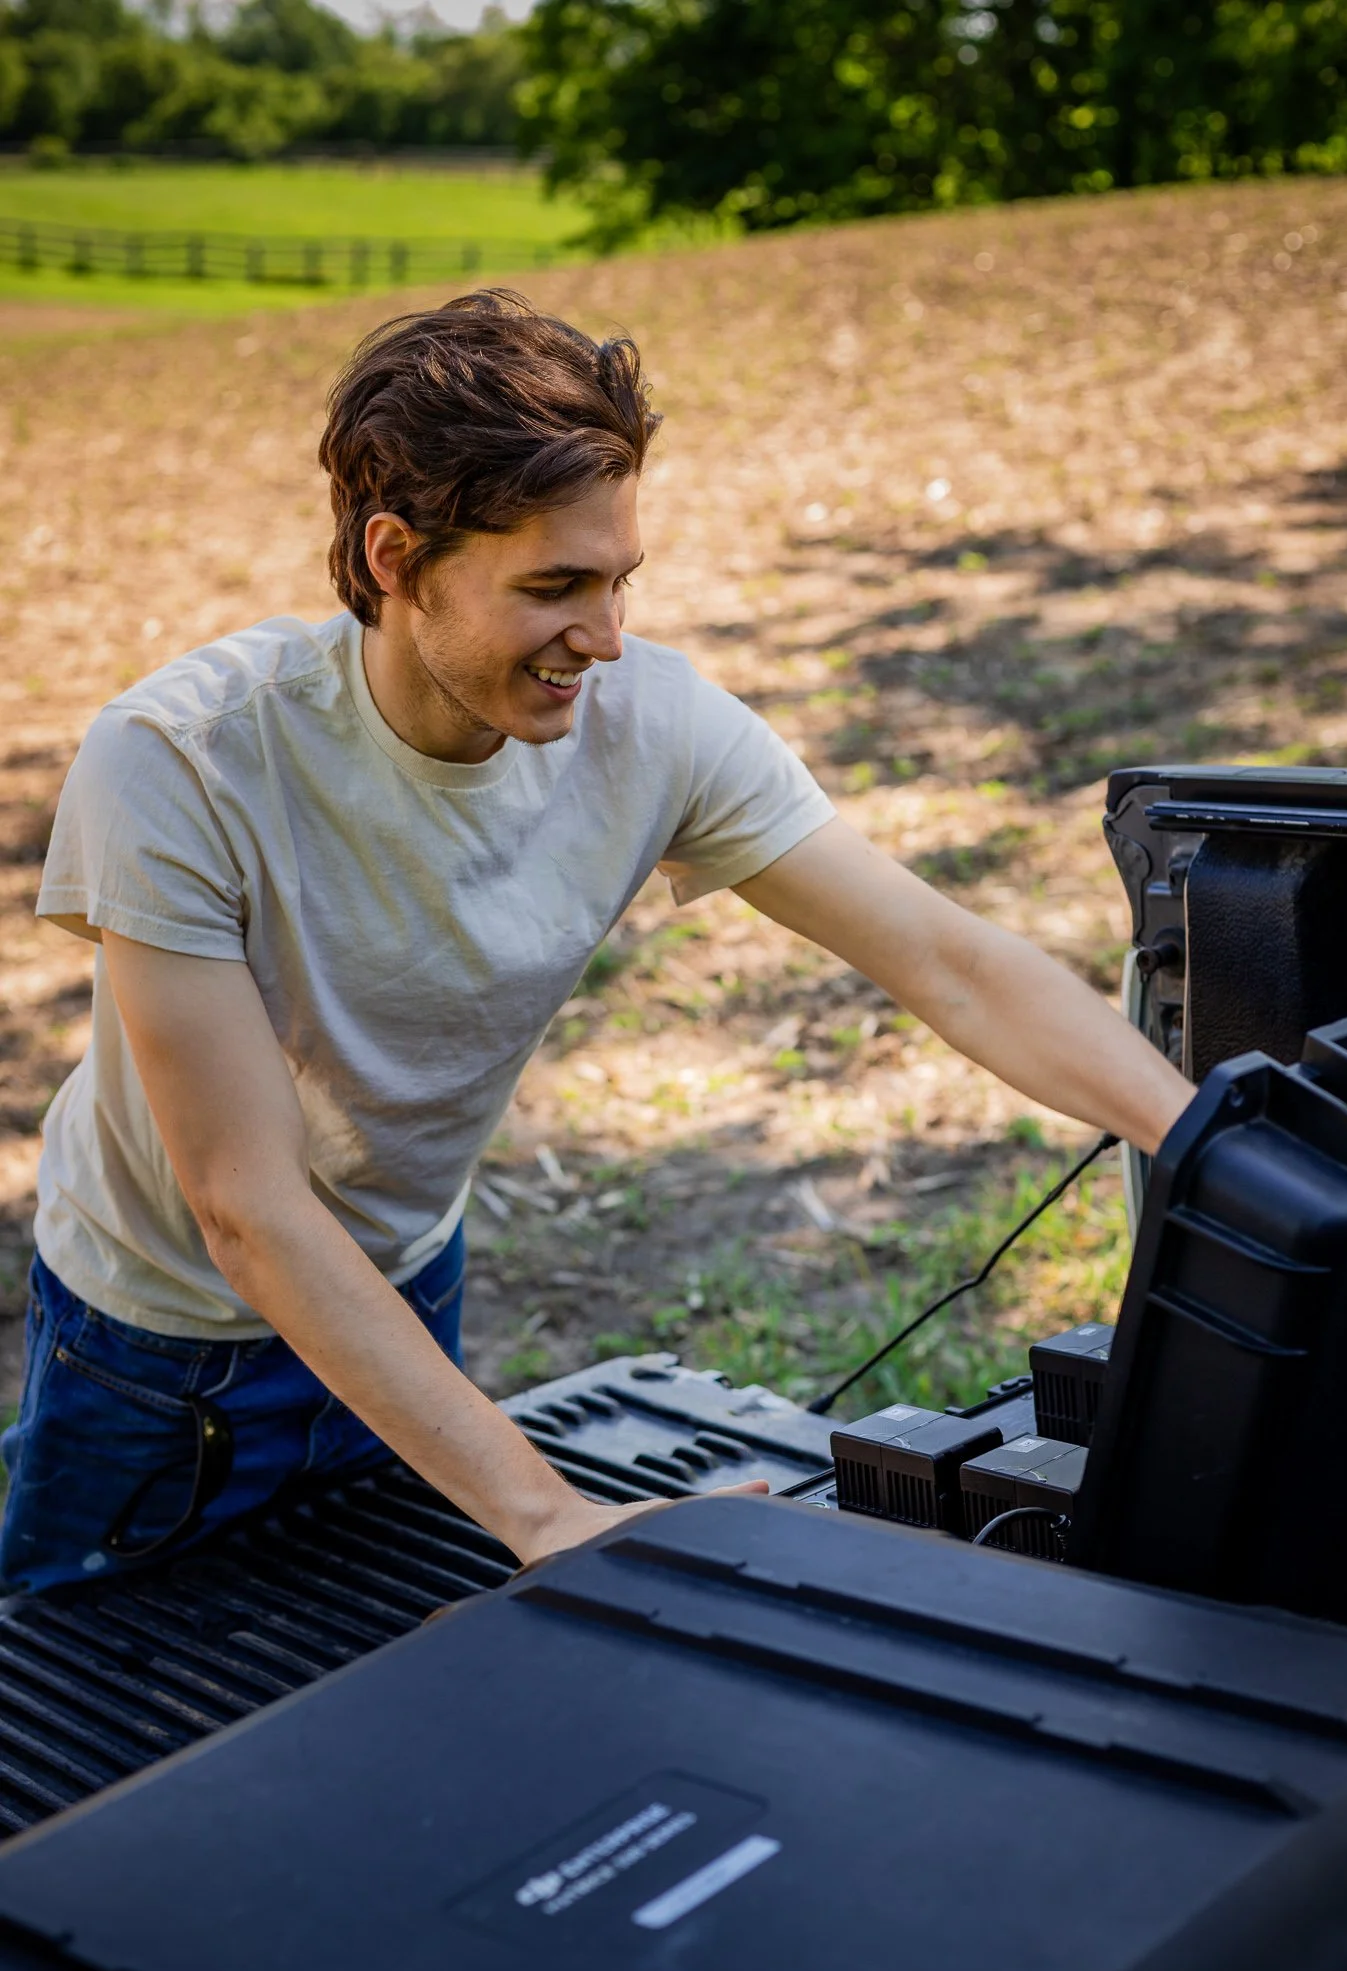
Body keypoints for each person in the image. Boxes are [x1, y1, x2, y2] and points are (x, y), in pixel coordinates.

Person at [0, 290, 1194, 1595]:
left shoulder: (653, 723)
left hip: (403, 1287)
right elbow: (246, 1207)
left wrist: (1206, 1146)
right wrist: (549, 1517)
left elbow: (947, 960)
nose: (607, 638)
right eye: (554, 587)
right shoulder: (183, 761)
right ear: (395, 558)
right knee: (97, 1751)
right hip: (159, 1351)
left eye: (620, 579)